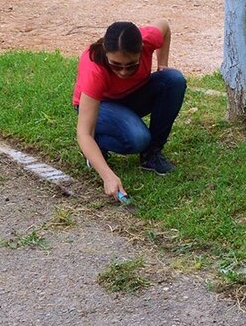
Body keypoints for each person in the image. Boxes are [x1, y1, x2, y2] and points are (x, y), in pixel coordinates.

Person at [73, 21, 187, 199]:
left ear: (142, 49)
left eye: (131, 65)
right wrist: (107, 176)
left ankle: (151, 154)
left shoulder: (148, 39)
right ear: (105, 50)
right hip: (100, 107)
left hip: (130, 96)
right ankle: (99, 145)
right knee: (138, 138)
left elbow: (164, 27)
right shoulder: (94, 67)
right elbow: (83, 133)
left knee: (173, 79)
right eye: (116, 65)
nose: (123, 72)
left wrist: (162, 64)